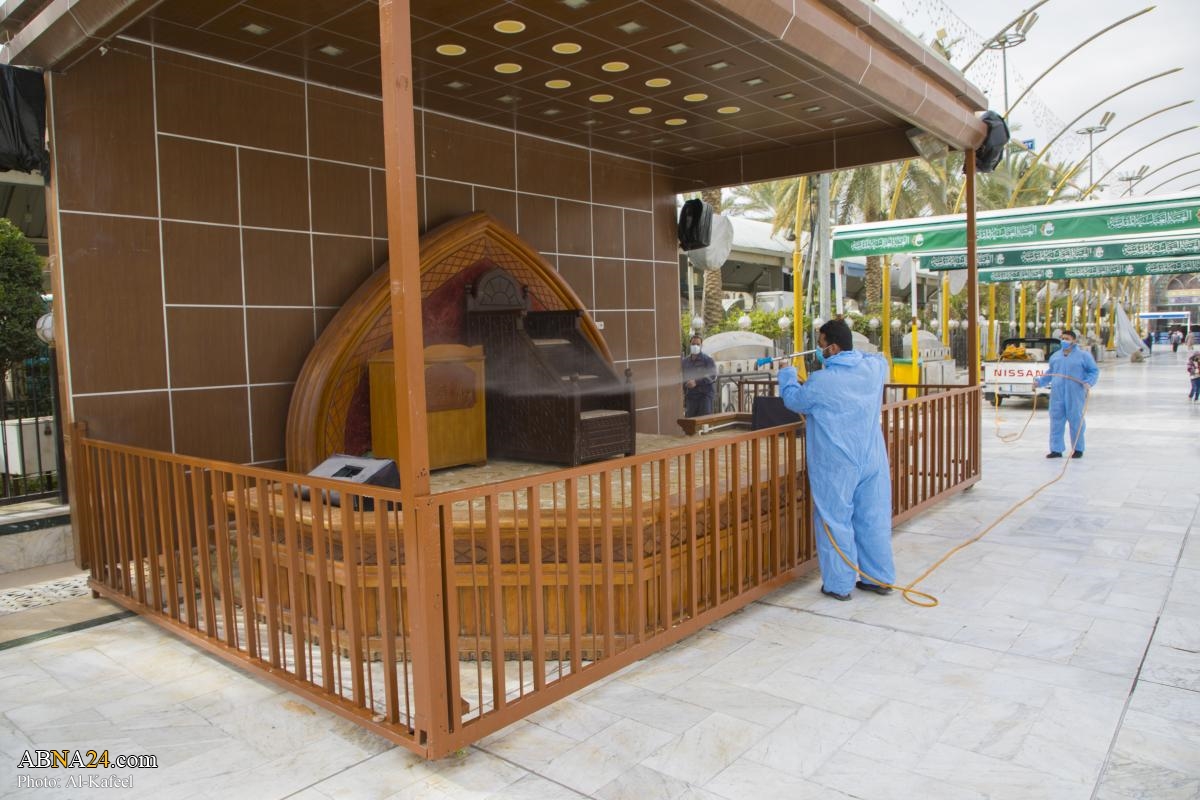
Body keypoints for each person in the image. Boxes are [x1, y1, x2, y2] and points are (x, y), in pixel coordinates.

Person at [777, 319, 894, 602]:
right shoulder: (874, 369)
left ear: (832, 348)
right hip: (872, 459)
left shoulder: (822, 382)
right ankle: (878, 578)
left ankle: (839, 585)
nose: (818, 351)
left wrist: (787, 373)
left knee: (835, 520)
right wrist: (851, 354)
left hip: (837, 464)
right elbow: (875, 358)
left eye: (821, 345)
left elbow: (794, 400)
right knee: (873, 518)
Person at [1033, 329, 1099, 459]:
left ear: (1074, 340)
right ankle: (1056, 449)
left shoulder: (1083, 356)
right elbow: (1051, 373)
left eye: (1067, 339)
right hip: (1057, 394)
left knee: (1076, 420)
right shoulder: (1055, 356)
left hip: (1075, 393)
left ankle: (1078, 448)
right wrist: (1039, 382)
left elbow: (1093, 371)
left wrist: (1089, 382)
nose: (1064, 341)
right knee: (1056, 421)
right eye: (1062, 338)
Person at [682, 334, 716, 417]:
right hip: (691, 397)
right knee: (690, 421)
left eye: (698, 344)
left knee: (704, 421)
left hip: (704, 397)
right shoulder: (685, 362)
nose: (695, 346)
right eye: (693, 344)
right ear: (690, 345)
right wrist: (683, 393)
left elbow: (712, 376)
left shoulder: (707, 360)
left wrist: (696, 382)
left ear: (701, 345)